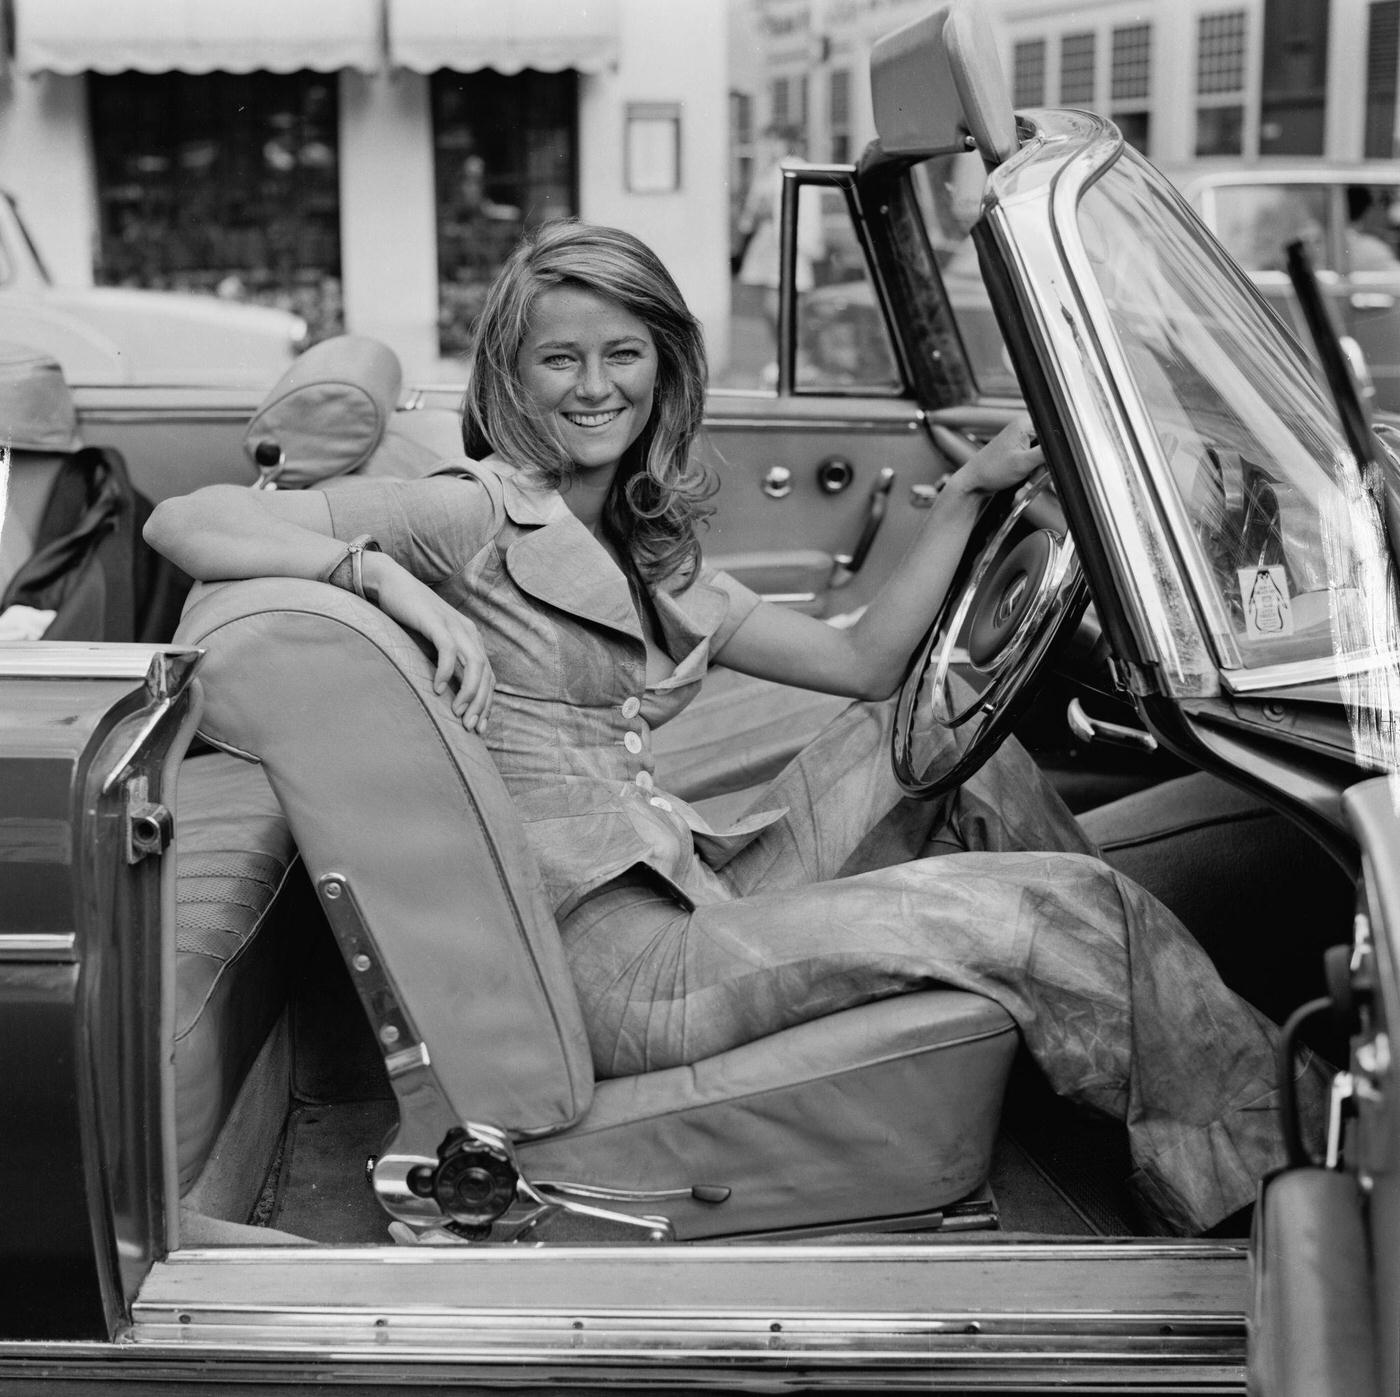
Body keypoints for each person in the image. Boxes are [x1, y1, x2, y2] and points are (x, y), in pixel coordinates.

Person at [145, 219, 1326, 1237]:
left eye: (622, 353)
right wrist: (375, 575)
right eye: (558, 358)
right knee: (1071, 909)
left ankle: (1098, 1055)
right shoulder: (465, 514)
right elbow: (188, 521)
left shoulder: (633, 538)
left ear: (664, 369)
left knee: (955, 753)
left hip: (683, 885)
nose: (593, 384)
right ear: (511, 375)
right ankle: (1271, 1190)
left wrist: (966, 500)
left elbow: (861, 662)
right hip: (620, 971)